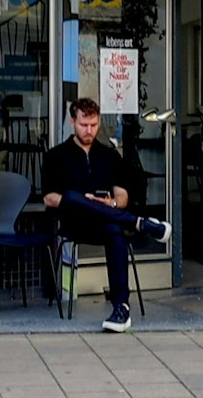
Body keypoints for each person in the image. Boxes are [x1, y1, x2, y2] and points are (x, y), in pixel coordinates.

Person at [42, 96, 171, 333]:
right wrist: (82, 203)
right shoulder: (55, 156)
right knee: (72, 196)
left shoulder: (110, 156)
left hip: (105, 222)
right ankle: (140, 223)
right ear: (73, 122)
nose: (89, 130)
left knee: (115, 230)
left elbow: (122, 198)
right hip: (74, 223)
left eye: (93, 125)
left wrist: (107, 203)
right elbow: (49, 198)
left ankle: (121, 307)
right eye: (84, 125)